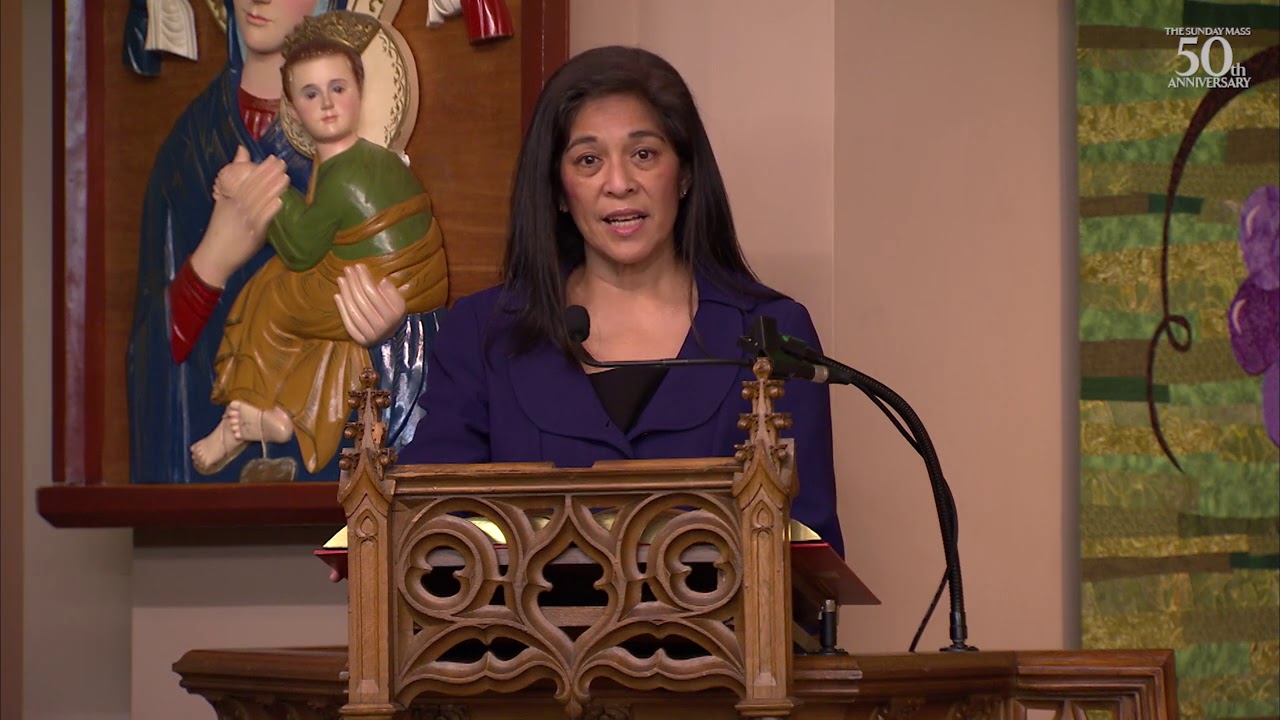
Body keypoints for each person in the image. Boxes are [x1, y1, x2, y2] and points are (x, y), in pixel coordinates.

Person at [395, 45, 845, 556]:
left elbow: (808, 553)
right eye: (588, 160)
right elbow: (426, 524)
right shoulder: (484, 333)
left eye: (644, 155)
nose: (619, 184)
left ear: (685, 173)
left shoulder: (771, 334)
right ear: (559, 190)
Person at [128, 0, 441, 484]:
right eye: (311, 93)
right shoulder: (188, 146)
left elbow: (412, 281)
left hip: (344, 480)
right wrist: (212, 261)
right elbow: (152, 355)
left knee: (284, 306)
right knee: (272, 299)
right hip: (212, 492)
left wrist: (394, 329)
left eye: (337, 89)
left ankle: (278, 417)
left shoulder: (357, 158)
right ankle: (250, 415)